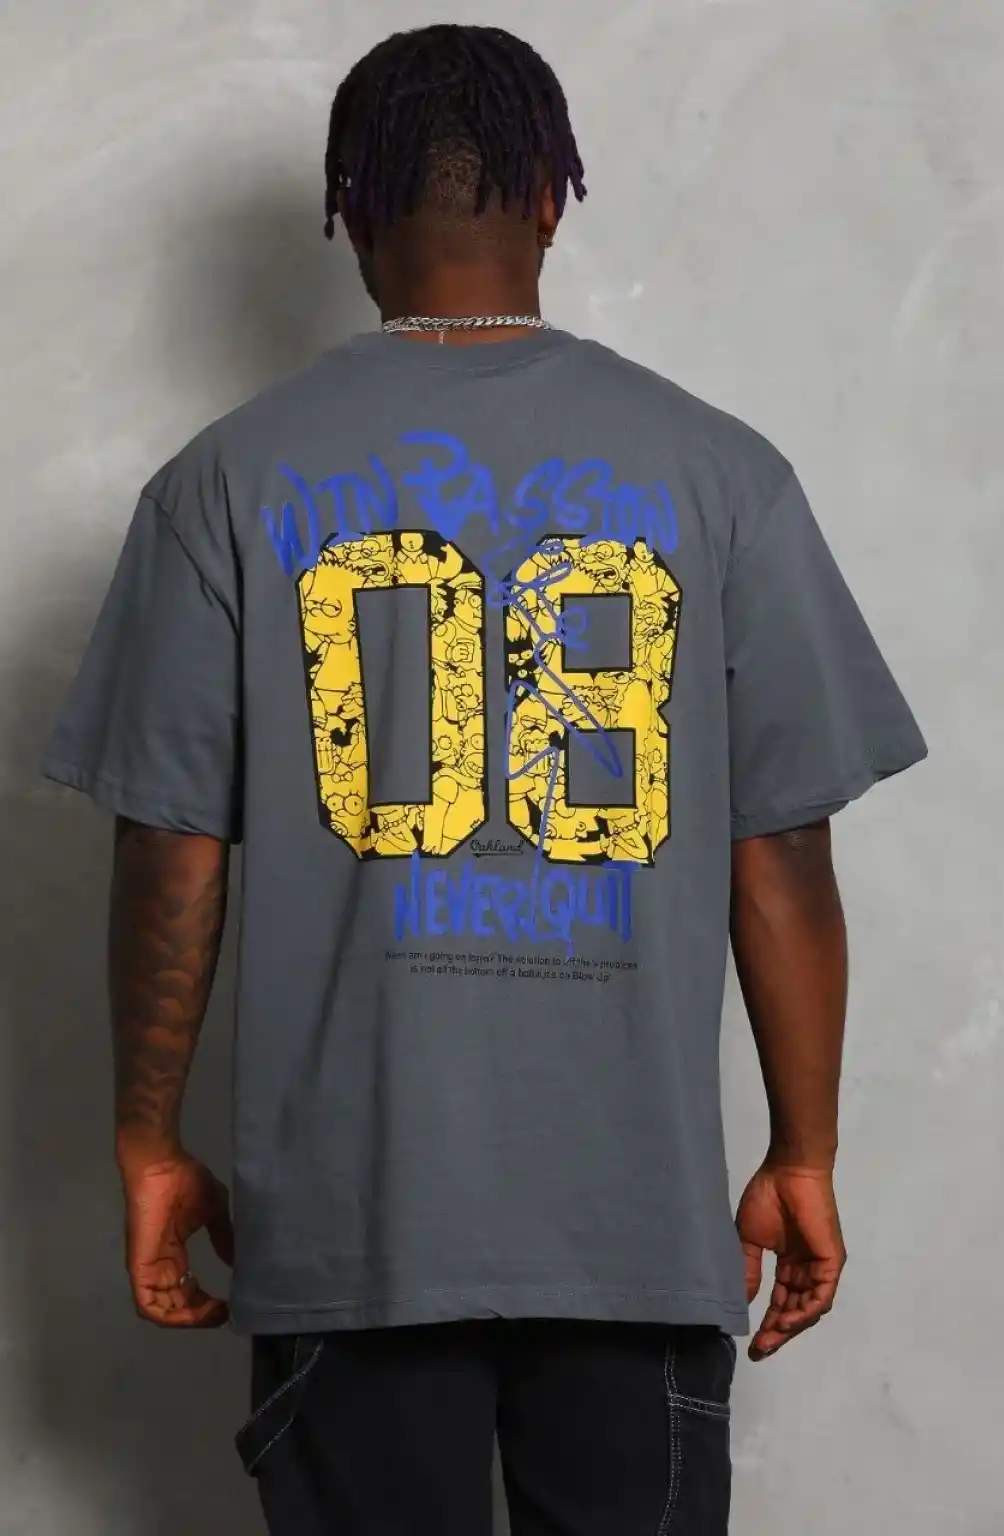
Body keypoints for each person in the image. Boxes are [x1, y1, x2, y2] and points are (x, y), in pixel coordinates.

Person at [43, 22, 927, 1536]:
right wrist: (803, 1151)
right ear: (553, 202)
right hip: (632, 1228)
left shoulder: (222, 483)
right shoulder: (725, 477)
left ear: (349, 207)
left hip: (352, 1228)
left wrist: (147, 1139)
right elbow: (781, 854)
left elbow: (170, 853)